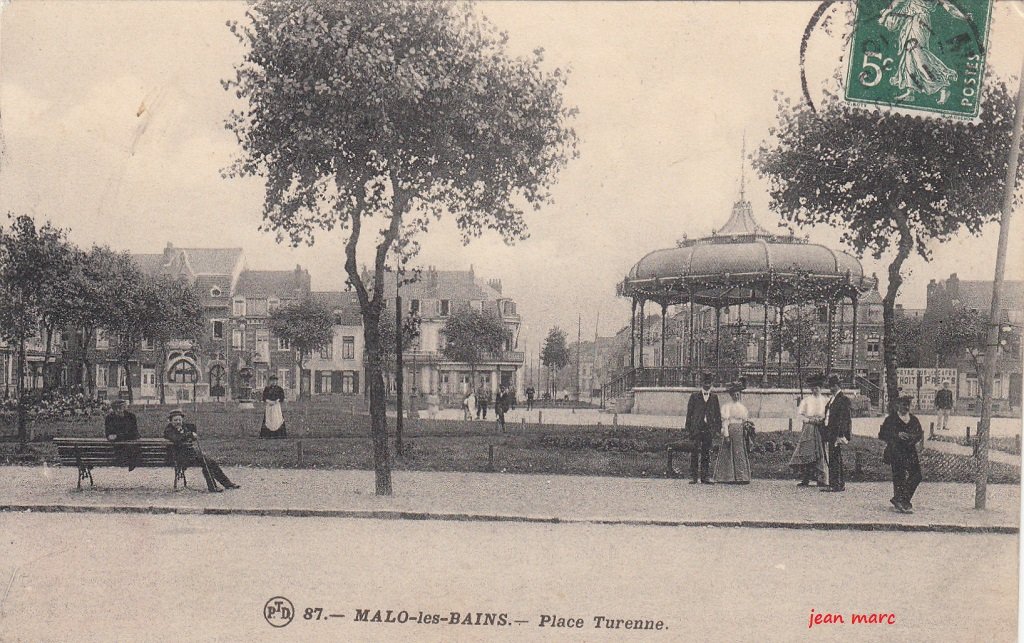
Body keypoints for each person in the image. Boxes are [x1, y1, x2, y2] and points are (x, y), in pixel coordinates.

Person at [878, 0, 972, 104]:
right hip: (911, 20)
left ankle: (943, 87)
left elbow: (949, 7)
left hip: (920, 21)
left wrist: (964, 17)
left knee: (918, 54)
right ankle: (911, 91)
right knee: (909, 54)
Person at [163, 409, 239, 492]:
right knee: (206, 462)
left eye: (179, 420)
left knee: (211, 462)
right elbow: (177, 439)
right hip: (178, 458)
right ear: (170, 421)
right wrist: (189, 434)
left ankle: (226, 484)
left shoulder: (185, 428)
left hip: (189, 456)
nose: (178, 422)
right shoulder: (168, 430)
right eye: (175, 420)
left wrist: (191, 433)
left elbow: (191, 430)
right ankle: (213, 487)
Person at [879, 395, 924, 513]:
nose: (906, 407)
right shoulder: (891, 419)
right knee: (899, 477)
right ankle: (902, 502)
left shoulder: (914, 420)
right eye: (904, 405)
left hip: (910, 452)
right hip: (896, 451)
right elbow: (882, 434)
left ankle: (900, 499)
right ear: (898, 405)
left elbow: (919, 434)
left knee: (917, 475)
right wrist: (897, 435)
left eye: (908, 405)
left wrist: (911, 437)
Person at [789, 373, 829, 487]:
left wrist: (822, 420)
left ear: (821, 388)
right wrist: (809, 420)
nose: (815, 390)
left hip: (821, 428)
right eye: (813, 388)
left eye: (817, 388)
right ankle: (805, 478)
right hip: (809, 429)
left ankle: (821, 478)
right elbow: (800, 415)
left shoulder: (826, 400)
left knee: (821, 452)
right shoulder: (806, 401)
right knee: (807, 451)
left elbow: (828, 415)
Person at [685, 372, 722, 484]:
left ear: (711, 383)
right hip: (696, 427)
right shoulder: (694, 396)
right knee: (694, 451)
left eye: (709, 382)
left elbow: (717, 414)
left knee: (706, 452)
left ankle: (705, 476)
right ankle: (694, 476)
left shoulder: (714, 397)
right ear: (702, 383)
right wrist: (688, 427)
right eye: (705, 382)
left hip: (708, 428)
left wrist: (717, 429)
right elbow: (689, 413)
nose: (707, 385)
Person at [714, 382, 751, 484]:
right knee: (728, 452)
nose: (736, 396)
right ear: (731, 395)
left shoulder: (742, 407)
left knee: (739, 453)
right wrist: (726, 435)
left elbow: (744, 421)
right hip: (731, 430)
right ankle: (727, 477)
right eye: (734, 394)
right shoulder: (727, 407)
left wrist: (746, 430)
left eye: (738, 394)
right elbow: (725, 422)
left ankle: (741, 477)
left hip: (740, 433)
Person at [821, 374, 852, 492]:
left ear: (837, 386)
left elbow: (845, 419)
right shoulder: (833, 399)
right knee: (833, 457)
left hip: (837, 433)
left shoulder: (843, 400)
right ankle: (836, 483)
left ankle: (837, 484)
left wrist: (841, 435)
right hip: (830, 432)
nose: (830, 388)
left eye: (832, 386)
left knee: (835, 458)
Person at [104, 399, 140, 471]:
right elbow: (109, 434)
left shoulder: (131, 417)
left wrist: (117, 436)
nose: (119, 410)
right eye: (119, 408)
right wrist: (124, 435)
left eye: (123, 407)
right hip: (120, 446)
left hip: (124, 445)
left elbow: (134, 434)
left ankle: (124, 461)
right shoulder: (110, 418)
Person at [259, 375, 288, 439]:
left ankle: (278, 435)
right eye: (272, 381)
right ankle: (267, 435)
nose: (274, 382)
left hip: (276, 406)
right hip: (269, 406)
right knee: (269, 419)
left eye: (275, 381)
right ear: (270, 381)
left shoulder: (280, 389)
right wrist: (269, 401)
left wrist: (276, 401)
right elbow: (264, 397)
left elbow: (282, 397)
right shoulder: (267, 389)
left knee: (277, 418)